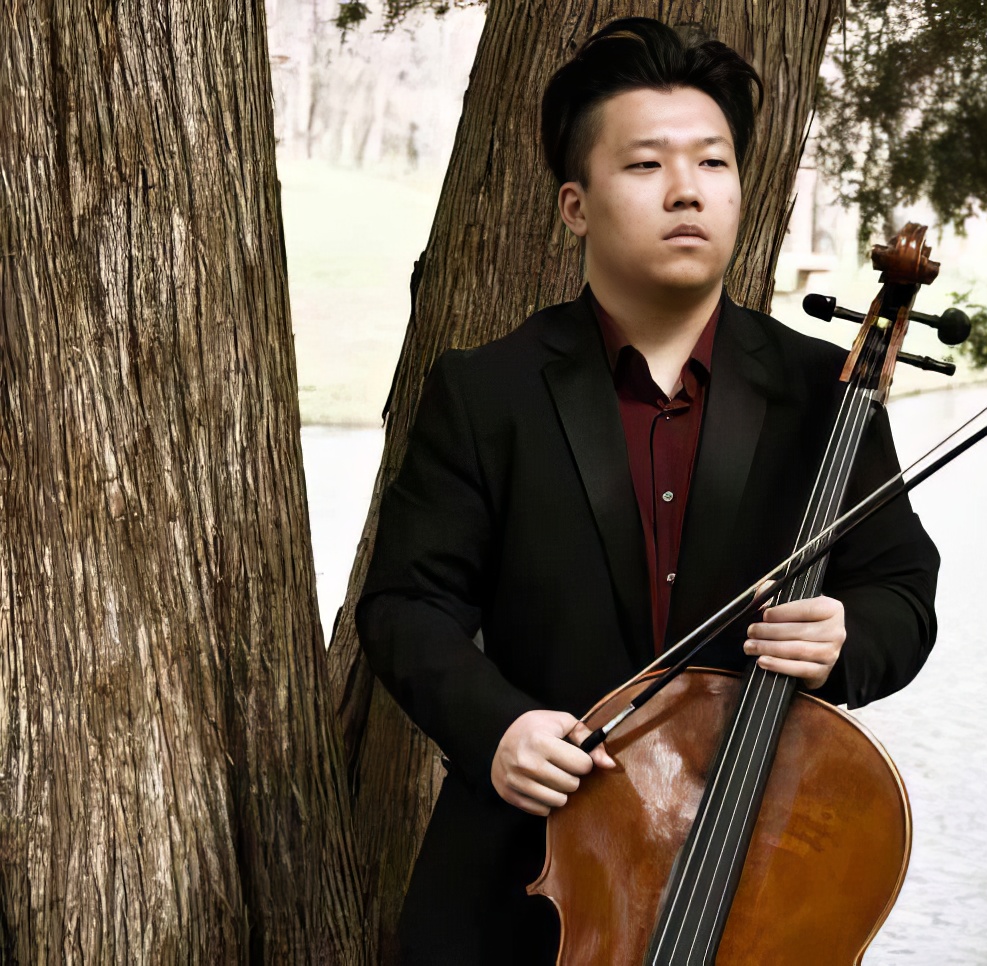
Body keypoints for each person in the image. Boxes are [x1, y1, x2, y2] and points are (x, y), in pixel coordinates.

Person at [356, 16, 939, 964]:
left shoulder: (826, 396)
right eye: (645, 167)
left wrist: (848, 637)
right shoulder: (487, 391)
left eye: (713, 164)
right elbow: (405, 605)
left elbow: (904, 596)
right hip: (522, 885)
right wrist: (497, 726)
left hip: (744, 882)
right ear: (575, 206)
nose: (686, 193)